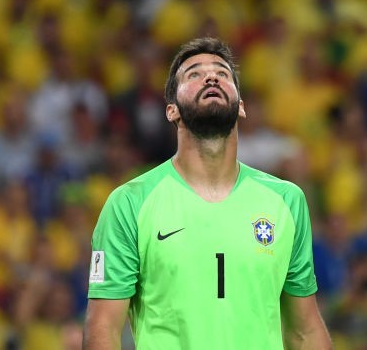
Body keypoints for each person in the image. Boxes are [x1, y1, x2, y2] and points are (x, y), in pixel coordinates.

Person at [83, 37, 331, 349]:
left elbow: (305, 331)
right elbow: (103, 328)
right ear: (172, 110)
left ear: (241, 106)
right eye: (194, 74)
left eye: (222, 74)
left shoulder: (286, 201)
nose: (211, 77)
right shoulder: (129, 203)